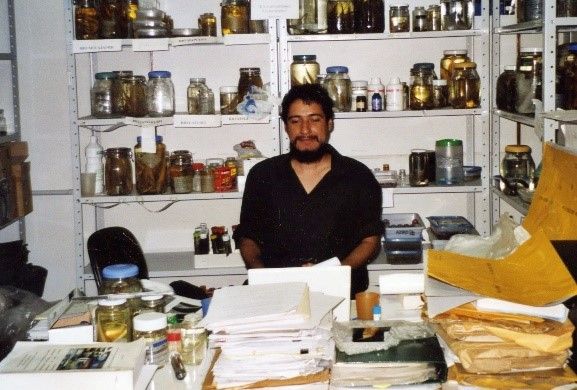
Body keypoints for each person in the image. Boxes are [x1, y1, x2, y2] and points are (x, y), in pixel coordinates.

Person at [233, 83, 383, 297]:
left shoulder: (358, 176)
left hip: (341, 293)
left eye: (315, 120)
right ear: (286, 127)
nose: (305, 130)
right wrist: (263, 277)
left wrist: (334, 275)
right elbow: (248, 238)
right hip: (275, 293)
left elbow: (370, 241)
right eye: (296, 121)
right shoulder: (263, 175)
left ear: (329, 123)